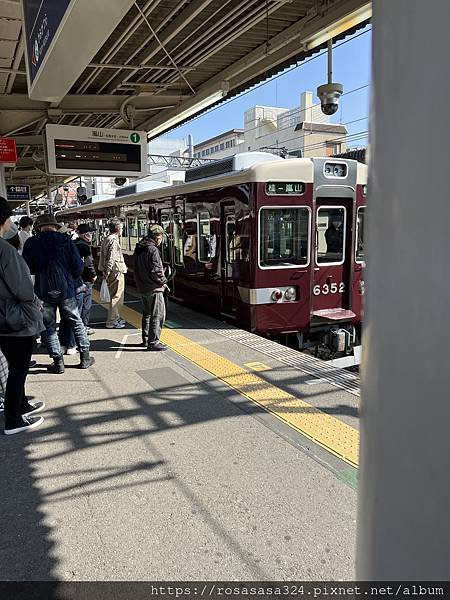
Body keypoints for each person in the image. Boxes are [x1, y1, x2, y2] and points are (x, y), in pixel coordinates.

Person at [22, 213, 95, 373]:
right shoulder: (66, 241)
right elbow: (78, 267)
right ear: (55, 226)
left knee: (48, 327)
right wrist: (68, 278)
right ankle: (85, 357)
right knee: (76, 322)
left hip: (43, 292)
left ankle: (58, 362)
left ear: (38, 228)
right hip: (67, 291)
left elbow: (26, 269)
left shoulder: (31, 243)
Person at [0, 197, 45, 434]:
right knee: (19, 369)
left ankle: (22, 405)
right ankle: (13, 419)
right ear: (4, 220)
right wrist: (34, 301)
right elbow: (22, 289)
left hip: (3, 318)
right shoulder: (5, 251)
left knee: (17, 367)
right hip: (14, 319)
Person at [59, 223, 97, 350]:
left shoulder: (70, 245)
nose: (91, 235)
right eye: (90, 233)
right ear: (86, 234)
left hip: (65, 284)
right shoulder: (84, 247)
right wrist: (93, 276)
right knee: (79, 313)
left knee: (66, 315)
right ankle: (73, 343)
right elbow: (87, 264)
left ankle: (64, 344)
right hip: (81, 283)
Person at [133, 225, 168, 351]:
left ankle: (146, 339)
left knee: (147, 314)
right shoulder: (153, 250)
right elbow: (156, 271)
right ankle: (153, 342)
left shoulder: (139, 247)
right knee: (158, 314)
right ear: (158, 237)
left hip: (143, 286)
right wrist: (164, 281)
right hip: (154, 288)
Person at [98, 219, 127, 329]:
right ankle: (112, 321)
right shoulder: (114, 240)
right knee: (117, 297)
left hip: (111, 271)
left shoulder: (107, 238)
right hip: (116, 271)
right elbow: (111, 257)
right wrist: (108, 271)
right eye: (122, 228)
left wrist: (105, 271)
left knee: (114, 296)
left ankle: (114, 318)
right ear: (118, 229)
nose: (122, 230)